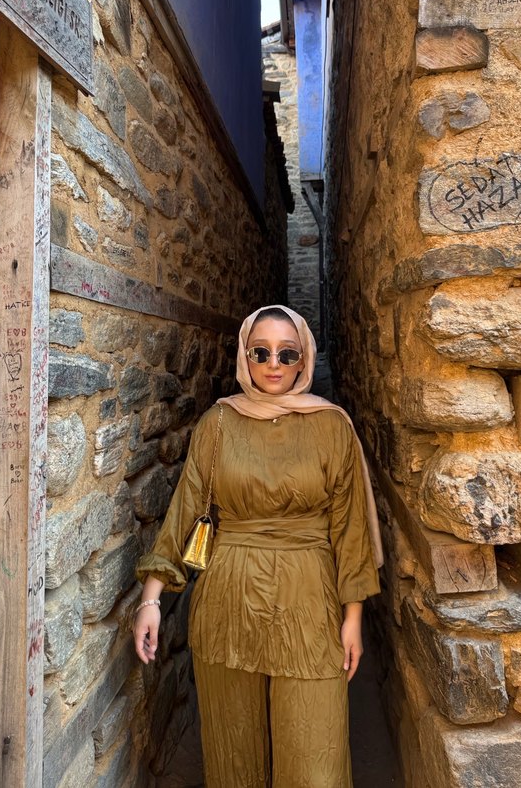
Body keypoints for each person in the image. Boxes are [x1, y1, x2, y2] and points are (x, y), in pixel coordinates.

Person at [134, 304, 383, 787]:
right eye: (260, 352)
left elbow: (350, 528)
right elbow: (185, 510)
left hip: (309, 604)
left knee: (314, 755)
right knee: (234, 752)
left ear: (304, 358)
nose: (273, 364)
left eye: (287, 354)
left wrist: (353, 618)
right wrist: (151, 599)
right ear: (244, 356)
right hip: (230, 602)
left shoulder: (332, 426)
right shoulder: (218, 423)